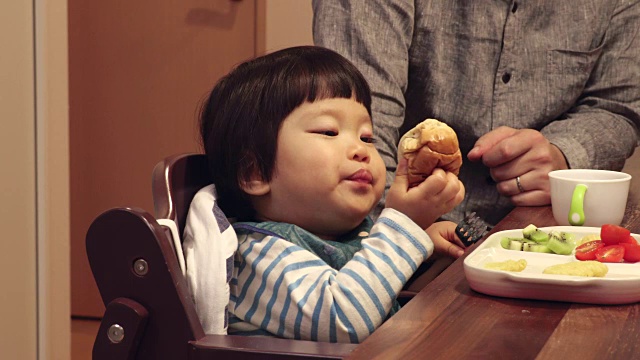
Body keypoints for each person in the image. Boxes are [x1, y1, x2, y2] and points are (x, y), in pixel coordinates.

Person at [196, 46, 465, 343]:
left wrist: (424, 251)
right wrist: (403, 227)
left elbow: (382, 298)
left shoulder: (349, 237)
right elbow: (346, 319)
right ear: (254, 172)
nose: (361, 150)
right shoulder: (258, 258)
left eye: (367, 137)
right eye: (328, 132)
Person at [312, 1, 640, 225]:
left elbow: (618, 106)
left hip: (546, 228)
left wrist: (563, 153)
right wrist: (400, 231)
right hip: (392, 236)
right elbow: (361, 121)